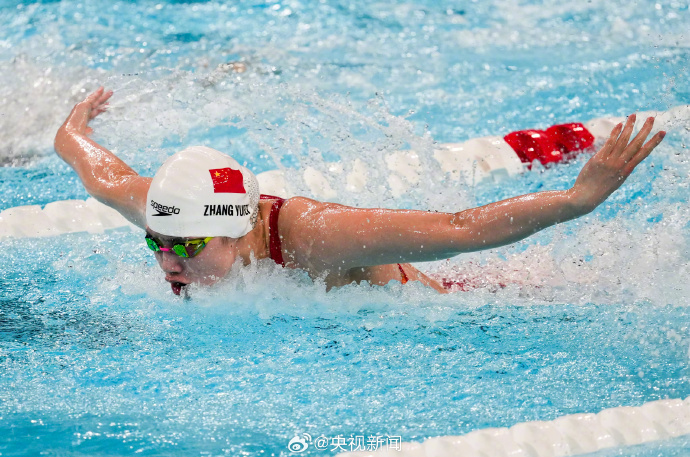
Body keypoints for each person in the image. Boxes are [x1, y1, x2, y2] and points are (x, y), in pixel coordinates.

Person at [54, 87, 666, 295]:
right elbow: (98, 172)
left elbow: (457, 230)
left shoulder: (314, 236)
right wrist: (74, 127)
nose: (167, 260)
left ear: (238, 229)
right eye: (156, 243)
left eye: (185, 248)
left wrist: (575, 201)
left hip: (437, 301)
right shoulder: (170, 208)